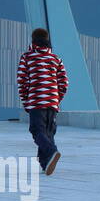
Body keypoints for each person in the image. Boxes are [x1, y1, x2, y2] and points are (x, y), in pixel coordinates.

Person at [17, 28, 67, 175]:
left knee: (37, 130)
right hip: (52, 101)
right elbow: (64, 83)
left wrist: (26, 101)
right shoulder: (56, 59)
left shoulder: (27, 57)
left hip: (36, 101)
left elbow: (22, 81)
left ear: (33, 40)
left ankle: (52, 151)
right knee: (48, 132)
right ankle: (45, 163)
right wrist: (56, 99)